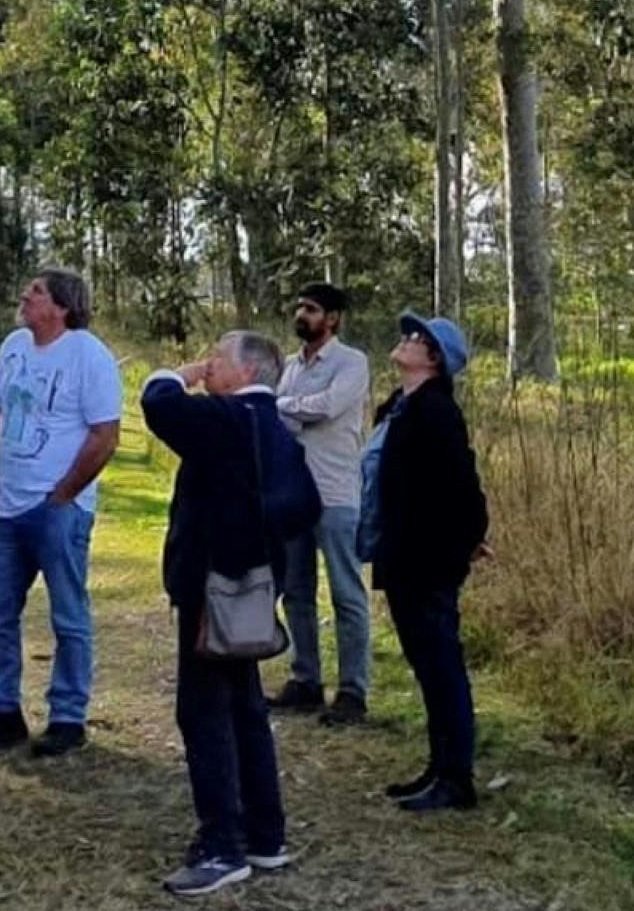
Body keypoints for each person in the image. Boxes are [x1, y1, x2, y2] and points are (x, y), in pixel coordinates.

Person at [141, 331, 299, 898]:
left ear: (248, 370)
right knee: (245, 708)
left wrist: (179, 373)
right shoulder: (277, 429)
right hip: (253, 592)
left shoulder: (231, 419)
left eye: (218, 358)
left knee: (204, 712)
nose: (210, 366)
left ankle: (222, 846)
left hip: (212, 590)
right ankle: (265, 834)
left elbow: (157, 402)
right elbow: (301, 506)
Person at [0, 268, 122, 759]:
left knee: (68, 616)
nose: (25, 296)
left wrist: (64, 493)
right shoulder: (14, 345)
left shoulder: (89, 355)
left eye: (37, 292)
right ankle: (2, 710)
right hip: (9, 506)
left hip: (58, 510)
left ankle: (68, 717)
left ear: (63, 307)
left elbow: (105, 436)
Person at [362, 312, 488, 813]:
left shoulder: (436, 411)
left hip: (428, 561)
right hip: (404, 555)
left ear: (434, 359)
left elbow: (463, 485)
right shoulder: (400, 406)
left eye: (416, 338)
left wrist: (469, 539)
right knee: (427, 666)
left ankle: (457, 778)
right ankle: (439, 767)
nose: (405, 341)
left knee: (441, 667)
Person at [273, 283, 373, 724]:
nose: (302, 314)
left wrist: (285, 406)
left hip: (335, 492)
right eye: (299, 306)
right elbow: (284, 417)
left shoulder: (352, 362)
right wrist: (292, 407)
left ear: (331, 319)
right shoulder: (291, 366)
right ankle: (306, 680)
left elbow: (328, 407)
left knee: (346, 594)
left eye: (310, 309)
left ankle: (353, 690)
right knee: (296, 591)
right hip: (295, 493)